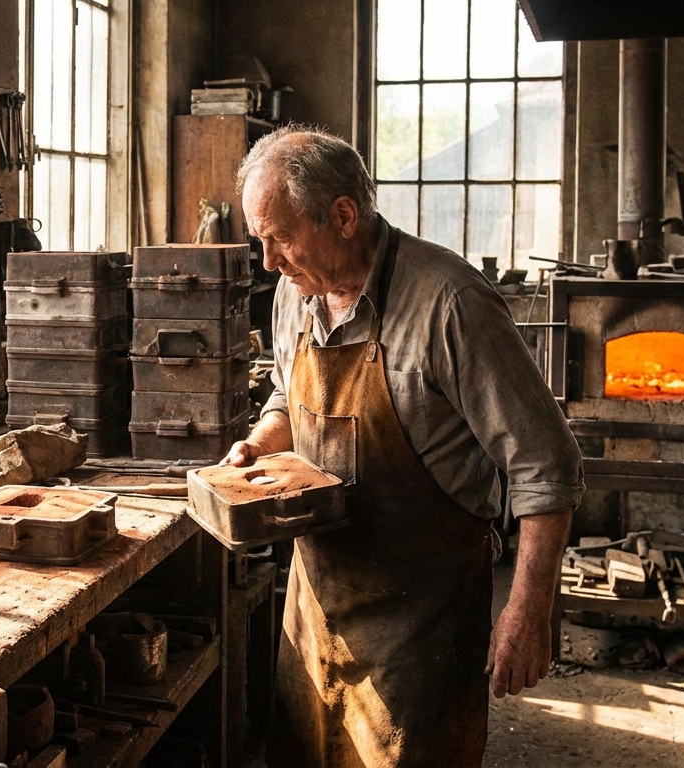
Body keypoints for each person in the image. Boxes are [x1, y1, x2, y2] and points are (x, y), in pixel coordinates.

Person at [225, 126, 583, 767]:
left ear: (342, 216)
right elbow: (286, 397)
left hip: (422, 624)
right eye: (261, 241)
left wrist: (530, 610)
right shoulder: (294, 293)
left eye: (279, 238)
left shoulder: (450, 303)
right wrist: (256, 446)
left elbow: (545, 465)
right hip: (318, 601)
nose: (269, 262)